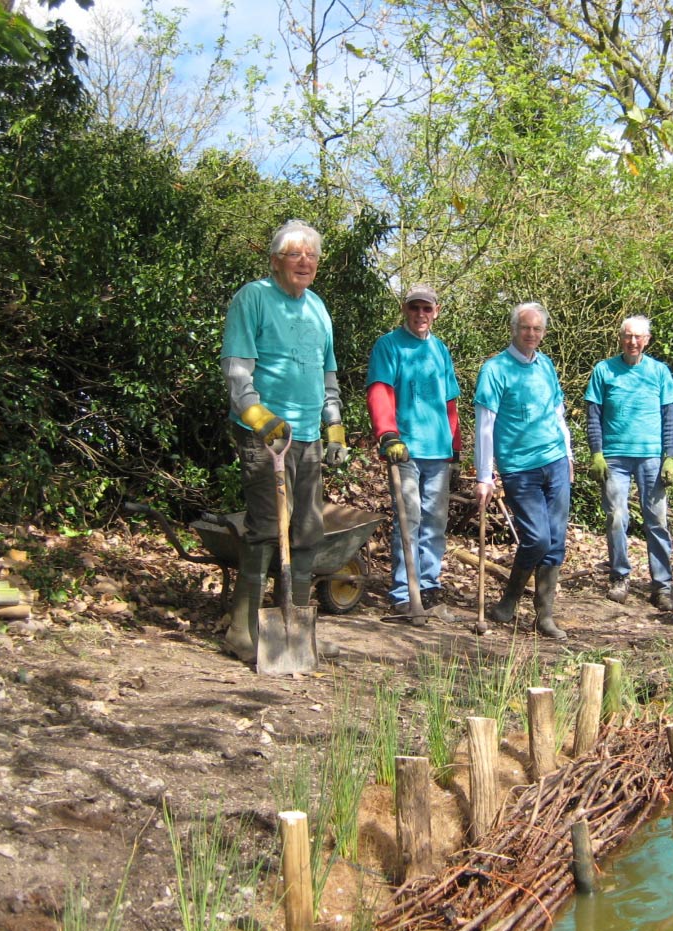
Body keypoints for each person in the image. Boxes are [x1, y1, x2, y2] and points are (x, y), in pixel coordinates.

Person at [219, 219, 348, 663]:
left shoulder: (318, 308)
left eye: (310, 256)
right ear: (275, 261)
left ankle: (291, 628)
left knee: (308, 530)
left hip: (308, 436)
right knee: (268, 528)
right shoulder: (253, 298)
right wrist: (260, 418)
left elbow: (327, 373)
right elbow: (237, 373)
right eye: (294, 255)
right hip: (266, 437)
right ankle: (243, 631)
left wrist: (334, 425)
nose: (304, 262)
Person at [474, 302, 574, 640]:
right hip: (519, 468)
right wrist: (485, 476)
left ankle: (544, 615)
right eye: (525, 328)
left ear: (543, 332)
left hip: (556, 461)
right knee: (537, 537)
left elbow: (557, 412)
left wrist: (569, 454)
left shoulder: (546, 365)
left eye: (537, 329)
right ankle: (510, 600)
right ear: (513, 329)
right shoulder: (495, 369)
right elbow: (485, 426)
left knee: (556, 540)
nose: (531, 334)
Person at [366, 283, 462, 621]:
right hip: (403, 450)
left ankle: (428, 585)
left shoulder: (440, 350)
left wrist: (456, 443)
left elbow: (450, 402)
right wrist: (387, 433)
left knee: (435, 521)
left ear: (436, 312)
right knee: (409, 520)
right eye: (414, 308)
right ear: (405, 310)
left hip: (438, 450)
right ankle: (404, 593)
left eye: (426, 308)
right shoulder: (389, 345)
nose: (420, 314)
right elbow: (379, 391)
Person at [584, 315, 673, 612]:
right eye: (628, 336)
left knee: (657, 520)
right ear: (620, 338)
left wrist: (671, 457)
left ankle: (662, 585)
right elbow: (592, 415)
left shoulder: (659, 372)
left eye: (639, 337)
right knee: (616, 517)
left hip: (652, 457)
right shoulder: (603, 371)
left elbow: (670, 418)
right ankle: (619, 577)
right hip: (615, 456)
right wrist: (596, 452)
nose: (633, 341)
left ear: (647, 340)